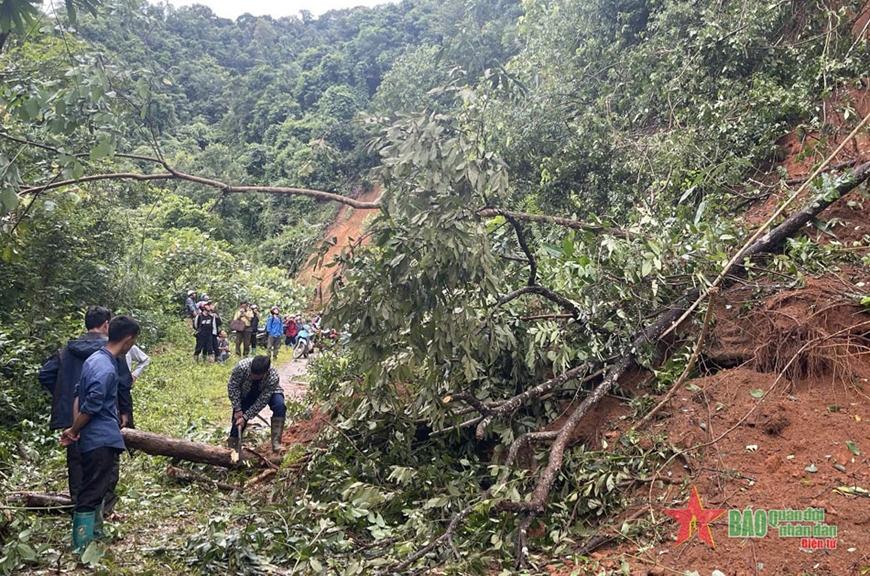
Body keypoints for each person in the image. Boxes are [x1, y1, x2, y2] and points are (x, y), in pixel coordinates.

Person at [38, 306, 132, 514]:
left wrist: (64, 394)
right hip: (103, 416)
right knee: (105, 464)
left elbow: (45, 374)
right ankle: (101, 510)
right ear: (106, 324)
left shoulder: (68, 349)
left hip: (73, 416)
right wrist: (125, 411)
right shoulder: (111, 351)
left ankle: (79, 505)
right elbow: (123, 384)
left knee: (77, 461)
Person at [60, 315, 140, 554]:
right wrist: (75, 430)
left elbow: (78, 394)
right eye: (133, 341)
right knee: (93, 490)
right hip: (101, 439)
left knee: (94, 486)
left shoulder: (95, 359)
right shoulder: (106, 367)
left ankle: (95, 535)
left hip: (92, 438)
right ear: (128, 339)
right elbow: (92, 404)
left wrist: (76, 431)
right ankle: (82, 544)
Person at [227, 355, 285, 452]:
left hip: (269, 392)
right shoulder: (241, 367)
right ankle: (233, 447)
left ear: (266, 372)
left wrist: (246, 417)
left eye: (256, 376)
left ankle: (276, 443)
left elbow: (262, 400)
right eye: (251, 373)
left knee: (280, 406)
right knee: (237, 420)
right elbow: (233, 386)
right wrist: (238, 409)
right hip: (246, 392)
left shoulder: (273, 377)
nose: (253, 376)